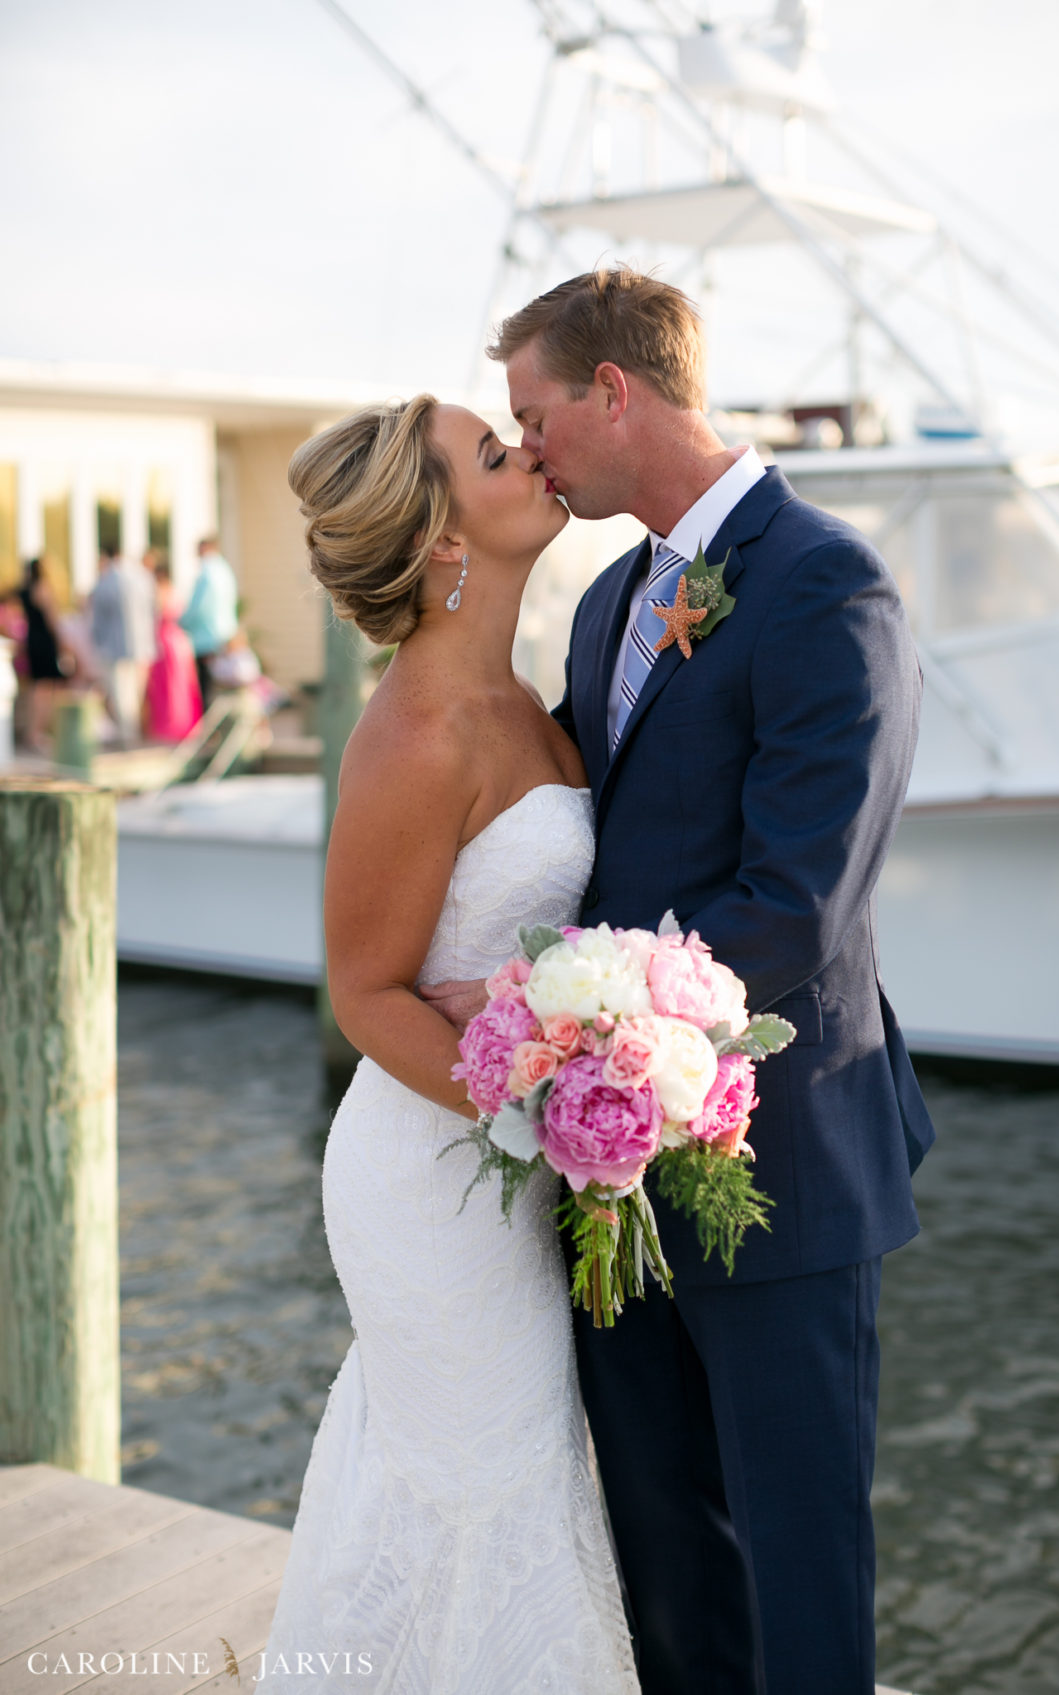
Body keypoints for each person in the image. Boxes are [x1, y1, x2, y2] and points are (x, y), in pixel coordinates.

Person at [423, 268, 937, 1695]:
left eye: (535, 415)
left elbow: (798, 899)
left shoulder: (827, 580)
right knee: (668, 1556)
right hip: (609, 1172)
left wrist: (571, 1022)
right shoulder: (609, 602)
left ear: (614, 391)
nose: (528, 451)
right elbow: (590, 848)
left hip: (782, 1154)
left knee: (801, 1568)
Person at [257, 397, 639, 1694]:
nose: (528, 454)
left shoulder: (522, 694)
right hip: (433, 1180)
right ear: (439, 544)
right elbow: (364, 992)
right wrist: (532, 1099)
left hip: (514, 1167)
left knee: (525, 1474)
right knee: (488, 1481)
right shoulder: (420, 732)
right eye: (493, 454)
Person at [89, 544, 156, 744]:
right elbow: (153, 610)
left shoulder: (106, 582)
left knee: (121, 692)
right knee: (135, 691)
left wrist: (98, 641)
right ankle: (133, 731)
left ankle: (128, 733)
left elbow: (98, 618)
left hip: (114, 646)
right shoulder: (143, 579)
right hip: (142, 645)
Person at [145, 561, 203, 742]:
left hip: (166, 644)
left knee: (170, 686)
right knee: (177, 685)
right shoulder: (175, 592)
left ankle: (174, 725)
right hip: (177, 642)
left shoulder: (160, 593)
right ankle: (181, 724)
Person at [179, 535, 238, 710]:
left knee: (205, 687)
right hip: (224, 633)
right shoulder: (224, 569)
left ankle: (207, 726)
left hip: (207, 636)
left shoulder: (207, 572)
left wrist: (182, 622)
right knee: (221, 685)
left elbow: (198, 606)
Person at [16, 556, 69, 753]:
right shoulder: (43, 589)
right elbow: (53, 620)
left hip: (32, 640)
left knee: (36, 689)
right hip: (45, 642)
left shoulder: (25, 591)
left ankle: (33, 732)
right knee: (45, 689)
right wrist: (63, 644)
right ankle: (37, 733)